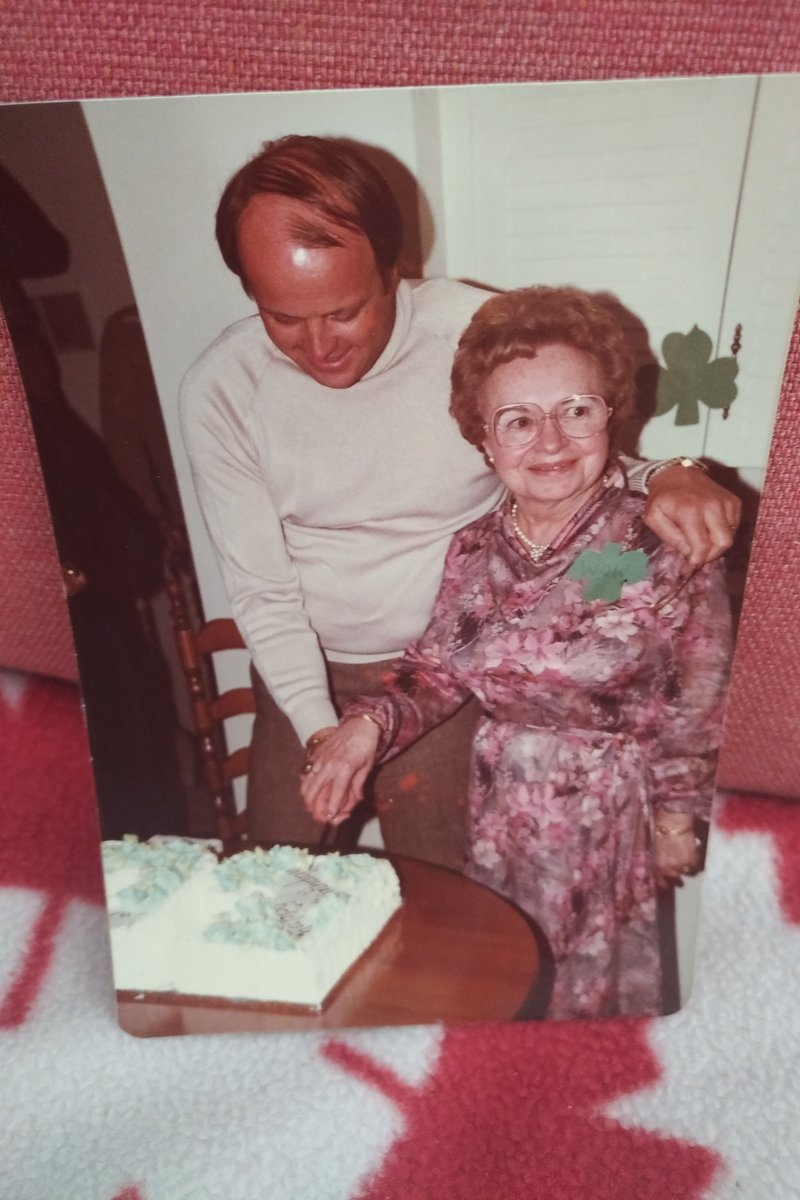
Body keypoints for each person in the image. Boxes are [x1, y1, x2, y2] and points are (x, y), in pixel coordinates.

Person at [179, 135, 740, 869]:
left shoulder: (474, 330)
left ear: (393, 267)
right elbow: (261, 591)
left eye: (344, 311)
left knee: (454, 904)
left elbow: (561, 447)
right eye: (284, 318)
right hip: (303, 669)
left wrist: (670, 471)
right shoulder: (220, 389)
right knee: (273, 886)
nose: (319, 347)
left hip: (448, 675)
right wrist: (323, 731)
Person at [301, 285, 733, 1020]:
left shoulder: (662, 534)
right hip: (501, 805)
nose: (552, 442)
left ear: (609, 415)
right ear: (485, 441)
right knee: (503, 985)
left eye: (576, 410)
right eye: (519, 421)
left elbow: (700, 690)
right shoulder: (474, 549)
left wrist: (677, 817)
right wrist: (365, 725)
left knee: (587, 1008)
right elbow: (439, 666)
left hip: (608, 815)